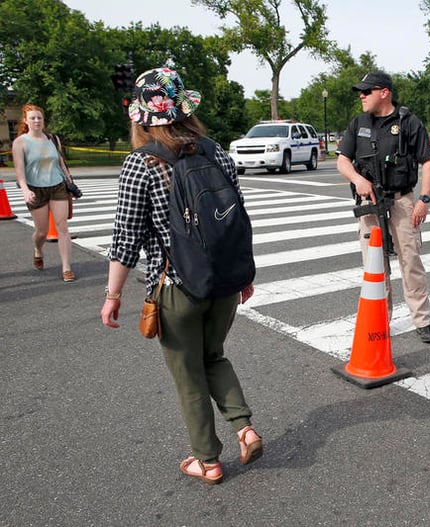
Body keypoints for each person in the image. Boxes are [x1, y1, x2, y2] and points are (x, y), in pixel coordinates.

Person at [99, 67, 262, 485]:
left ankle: (207, 461)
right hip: (224, 282)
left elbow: (126, 238)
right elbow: (237, 218)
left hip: (176, 287)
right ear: (185, 109)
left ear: (140, 116)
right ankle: (245, 428)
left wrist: (112, 294)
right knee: (214, 356)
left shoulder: (142, 163)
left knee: (188, 371)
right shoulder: (216, 152)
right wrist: (245, 274)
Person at [337, 71, 430, 344]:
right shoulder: (357, 123)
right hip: (370, 204)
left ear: (384, 93)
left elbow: (428, 163)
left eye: (366, 91)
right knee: (375, 265)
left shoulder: (408, 122)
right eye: (361, 91)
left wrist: (424, 199)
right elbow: (342, 161)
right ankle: (380, 320)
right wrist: (358, 179)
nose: (361, 96)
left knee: (411, 262)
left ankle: (422, 320)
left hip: (402, 201)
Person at [12, 104, 76, 281]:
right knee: (42, 231)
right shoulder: (20, 142)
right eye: (32, 118)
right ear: (26, 120)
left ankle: (66, 268)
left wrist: (69, 183)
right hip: (35, 189)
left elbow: (61, 164)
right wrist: (25, 190)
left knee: (62, 227)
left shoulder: (53, 139)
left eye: (39, 117)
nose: (37, 121)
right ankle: (38, 250)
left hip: (57, 186)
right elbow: (19, 172)